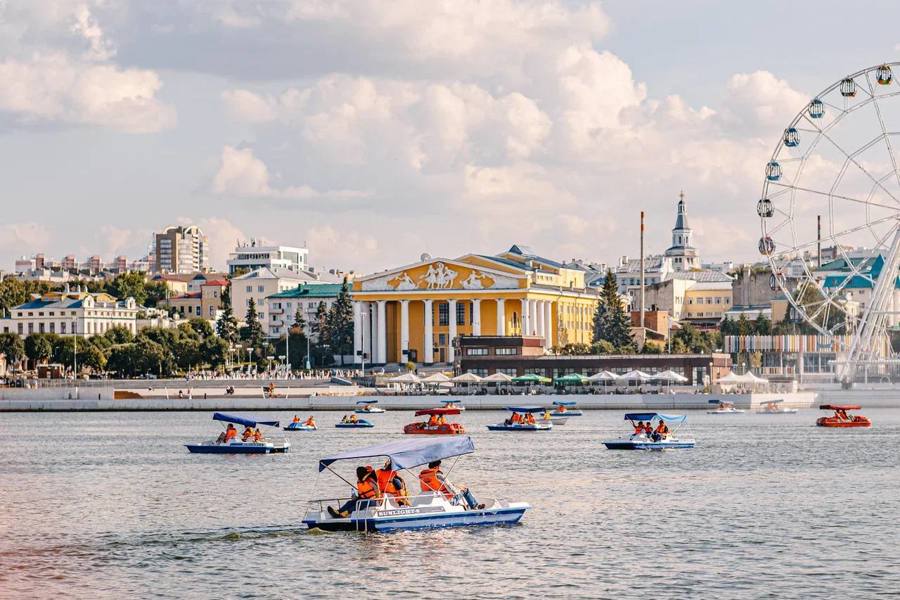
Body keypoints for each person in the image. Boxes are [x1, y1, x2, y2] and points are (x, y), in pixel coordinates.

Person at [419, 460, 483, 509]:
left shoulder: (424, 476)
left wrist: (456, 485)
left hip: (433, 499)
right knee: (465, 490)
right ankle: (475, 506)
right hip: (448, 501)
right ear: (436, 466)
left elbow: (438, 485)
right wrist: (460, 490)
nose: (439, 468)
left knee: (458, 491)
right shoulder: (439, 475)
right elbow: (453, 490)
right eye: (439, 466)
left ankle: (463, 506)